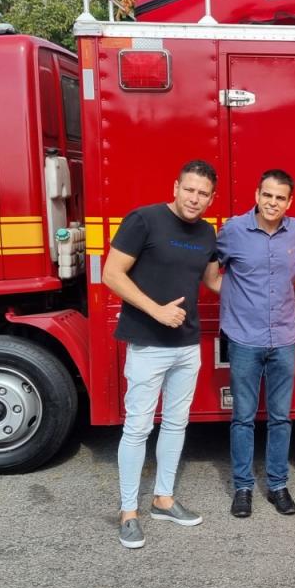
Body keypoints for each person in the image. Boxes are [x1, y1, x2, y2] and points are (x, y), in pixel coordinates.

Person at [103, 160, 222, 550]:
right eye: (190, 189)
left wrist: (265, 283)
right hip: (148, 344)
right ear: (175, 187)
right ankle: (128, 513)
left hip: (187, 345)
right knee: (138, 427)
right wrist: (156, 310)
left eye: (203, 193)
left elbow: (213, 281)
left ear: (211, 198)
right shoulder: (144, 220)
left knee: (175, 424)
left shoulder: (207, 232)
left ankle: (163, 500)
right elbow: (111, 273)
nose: (195, 198)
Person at [216, 169, 295, 519]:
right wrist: (232, 303)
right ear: (257, 195)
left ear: (290, 202)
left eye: (280, 197)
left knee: (280, 418)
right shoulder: (233, 231)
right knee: (242, 417)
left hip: (284, 338)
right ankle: (243, 488)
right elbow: (211, 272)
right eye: (267, 195)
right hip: (244, 339)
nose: (273, 202)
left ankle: (277, 485)